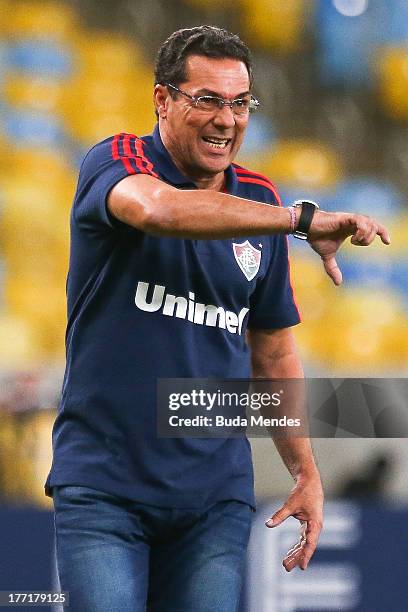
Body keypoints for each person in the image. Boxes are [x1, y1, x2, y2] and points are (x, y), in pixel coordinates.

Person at [46, 26, 390, 612]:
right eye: (207, 99)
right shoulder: (117, 160)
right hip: (106, 489)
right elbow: (156, 209)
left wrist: (305, 472)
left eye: (239, 103)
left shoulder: (259, 197)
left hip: (213, 501)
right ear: (163, 100)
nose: (226, 120)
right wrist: (298, 220)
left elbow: (274, 353)